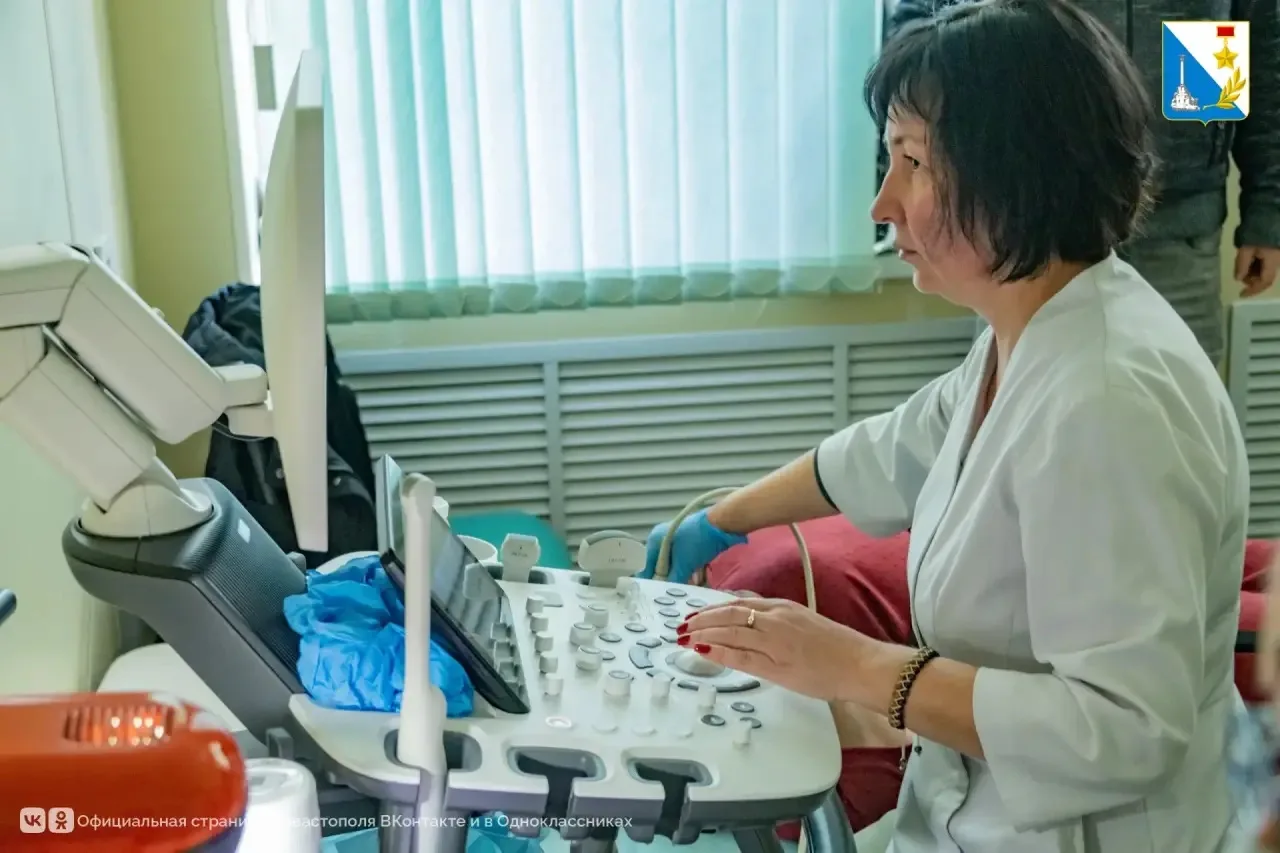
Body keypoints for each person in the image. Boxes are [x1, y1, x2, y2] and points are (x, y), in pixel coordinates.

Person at [639, 1, 1254, 850]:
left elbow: (1127, 728)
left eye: (912, 162)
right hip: (966, 812)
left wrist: (852, 664)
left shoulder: (1111, 399)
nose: (881, 204)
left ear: (1014, 173)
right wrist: (722, 517)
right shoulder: (1035, 329)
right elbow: (897, 448)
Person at [885, 0, 1280, 369]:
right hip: (1032, 223)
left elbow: (1263, 47)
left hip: (1183, 222)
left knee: (1181, 395)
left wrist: (1267, 209)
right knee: (1025, 398)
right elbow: (919, 27)